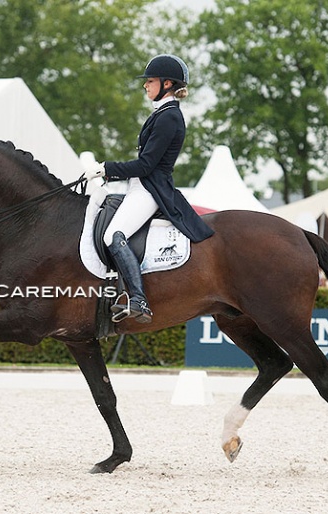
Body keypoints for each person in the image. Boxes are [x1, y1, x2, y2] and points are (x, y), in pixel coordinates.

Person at [83, 54, 214, 323]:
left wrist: (108, 168)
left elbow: (145, 165)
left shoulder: (169, 118)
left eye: (150, 81)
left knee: (113, 235)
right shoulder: (162, 114)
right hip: (139, 187)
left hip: (150, 190)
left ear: (167, 84)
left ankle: (138, 299)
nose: (145, 86)